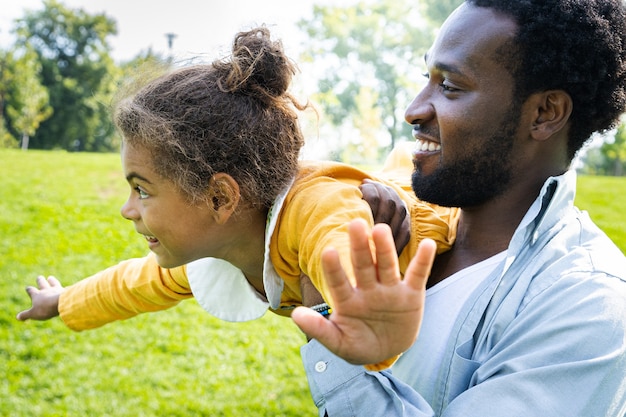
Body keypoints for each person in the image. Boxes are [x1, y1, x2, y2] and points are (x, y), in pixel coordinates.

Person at [16, 27, 457, 371]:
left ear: (221, 197)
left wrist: (347, 313)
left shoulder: (313, 210)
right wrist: (62, 301)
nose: (127, 209)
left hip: (436, 209)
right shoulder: (219, 248)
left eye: (142, 189)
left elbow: (338, 242)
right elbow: (134, 284)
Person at [291, 0, 626, 415]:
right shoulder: (395, 234)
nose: (413, 109)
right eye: (426, 78)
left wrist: (341, 362)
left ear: (544, 113)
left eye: (449, 86)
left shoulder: (588, 303)